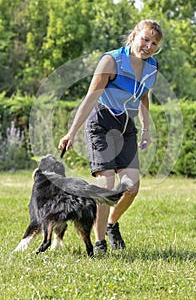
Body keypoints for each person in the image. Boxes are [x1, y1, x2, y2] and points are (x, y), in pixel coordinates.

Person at [58, 19, 163, 253]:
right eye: (145, 39)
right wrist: (71, 132)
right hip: (102, 124)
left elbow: (144, 96)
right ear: (134, 36)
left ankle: (111, 224)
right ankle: (99, 242)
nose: (148, 46)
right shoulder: (111, 60)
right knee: (106, 185)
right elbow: (91, 97)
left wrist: (146, 129)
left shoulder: (151, 67)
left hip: (126, 127)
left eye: (154, 43)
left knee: (131, 187)